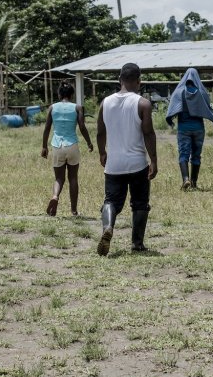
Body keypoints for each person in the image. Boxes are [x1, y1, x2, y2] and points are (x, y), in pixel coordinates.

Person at [96, 63, 158, 255]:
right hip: (137, 163)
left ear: (119, 80)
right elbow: (148, 133)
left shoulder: (105, 103)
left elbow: (100, 132)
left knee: (111, 202)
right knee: (140, 203)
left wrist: (102, 153)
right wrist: (154, 160)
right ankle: (137, 244)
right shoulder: (143, 103)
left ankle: (108, 227)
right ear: (139, 81)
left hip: (114, 164)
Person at [41, 82, 93, 217]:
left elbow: (47, 128)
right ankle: (74, 211)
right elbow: (82, 127)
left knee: (59, 178)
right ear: (72, 95)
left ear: (59, 94)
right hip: (72, 145)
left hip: (57, 145)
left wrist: (44, 146)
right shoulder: (78, 108)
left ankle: (55, 197)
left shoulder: (52, 107)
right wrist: (89, 143)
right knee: (73, 178)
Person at [165, 67, 213, 190]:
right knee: (196, 155)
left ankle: (185, 179)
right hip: (199, 128)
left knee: (183, 154)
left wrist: (170, 119)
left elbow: (173, 108)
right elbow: (207, 107)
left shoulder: (179, 92)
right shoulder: (201, 92)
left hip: (183, 128)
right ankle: (194, 184)